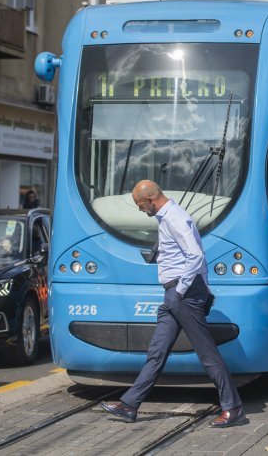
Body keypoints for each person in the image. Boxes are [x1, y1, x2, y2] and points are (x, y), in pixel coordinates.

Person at [100, 180, 244, 427]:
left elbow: (197, 256)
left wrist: (180, 290)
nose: (139, 210)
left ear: (150, 199)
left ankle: (233, 407)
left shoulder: (176, 218)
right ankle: (129, 404)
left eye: (139, 205)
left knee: (206, 352)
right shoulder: (166, 218)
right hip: (175, 295)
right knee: (157, 351)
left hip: (184, 294)